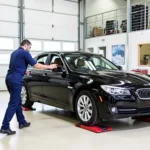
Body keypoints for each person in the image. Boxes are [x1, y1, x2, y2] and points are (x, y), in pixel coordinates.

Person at [0, 39, 57, 135]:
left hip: (9, 79)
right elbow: (36, 65)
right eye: (29, 48)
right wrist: (50, 67)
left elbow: (15, 66)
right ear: (26, 46)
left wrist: (24, 71)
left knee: (17, 101)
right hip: (16, 81)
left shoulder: (14, 53)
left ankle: (21, 122)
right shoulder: (25, 53)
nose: (29, 50)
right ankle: (4, 126)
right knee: (13, 103)